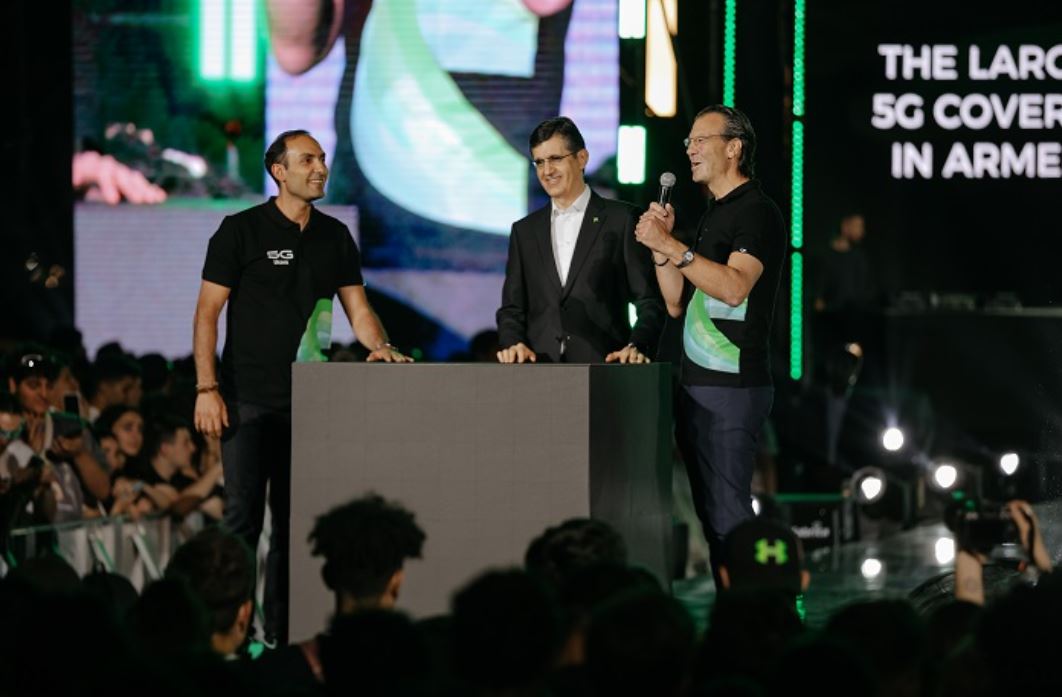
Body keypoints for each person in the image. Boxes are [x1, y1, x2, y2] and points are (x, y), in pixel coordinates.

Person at [192, 130, 412, 645]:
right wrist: (206, 388)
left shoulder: (334, 236)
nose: (320, 168)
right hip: (245, 400)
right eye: (307, 160)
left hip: (310, 404)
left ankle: (280, 639)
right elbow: (207, 314)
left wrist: (381, 346)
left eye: (322, 159)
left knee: (294, 527)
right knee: (241, 522)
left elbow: (358, 309)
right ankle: (228, 635)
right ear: (279, 171)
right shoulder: (240, 230)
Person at [635, 105, 786, 586]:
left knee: (730, 518)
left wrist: (673, 246)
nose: (691, 150)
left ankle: (761, 613)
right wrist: (662, 246)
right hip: (698, 384)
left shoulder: (756, 211)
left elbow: (735, 288)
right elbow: (675, 303)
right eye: (689, 142)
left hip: (731, 386)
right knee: (713, 520)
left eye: (702, 140)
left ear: (734, 147)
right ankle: (736, 612)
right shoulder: (714, 213)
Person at [496, 117, 664, 363]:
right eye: (539, 162)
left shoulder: (622, 220)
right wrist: (513, 343)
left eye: (555, 159)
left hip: (604, 369)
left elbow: (649, 302)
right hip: (539, 370)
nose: (547, 171)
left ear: (582, 158)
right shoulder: (524, 231)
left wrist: (637, 345)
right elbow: (512, 309)